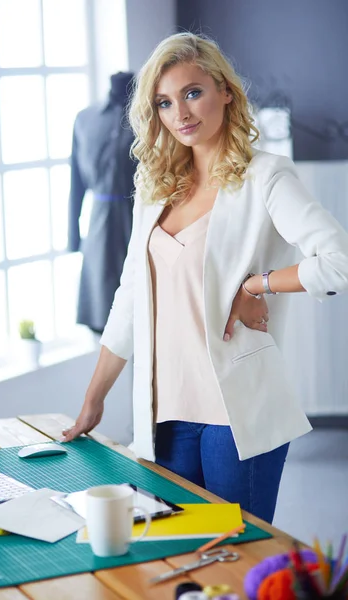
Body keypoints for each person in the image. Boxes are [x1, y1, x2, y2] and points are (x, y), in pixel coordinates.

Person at [62, 33, 348, 523]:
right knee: (180, 563)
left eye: (193, 92)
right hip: (164, 416)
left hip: (234, 416)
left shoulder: (267, 176)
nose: (181, 113)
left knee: (236, 559)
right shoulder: (155, 189)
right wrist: (93, 401)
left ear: (225, 92)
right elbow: (130, 299)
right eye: (165, 102)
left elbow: (338, 260)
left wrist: (258, 285)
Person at [68, 72, 136, 333]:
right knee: (105, 317)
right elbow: (76, 180)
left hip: (137, 220)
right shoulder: (85, 119)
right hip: (99, 228)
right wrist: (73, 237)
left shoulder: (149, 117)